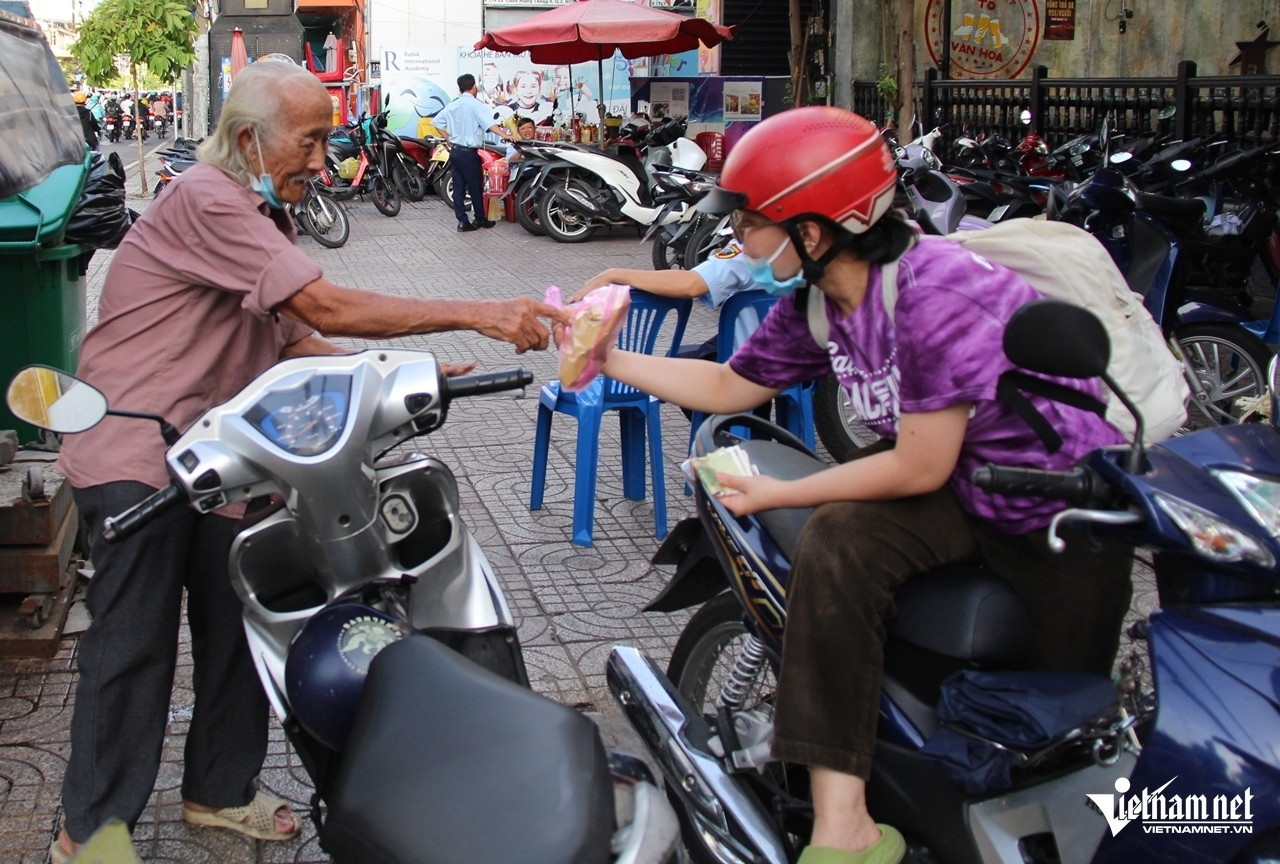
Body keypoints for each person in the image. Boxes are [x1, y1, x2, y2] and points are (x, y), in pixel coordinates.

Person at [48, 60, 567, 864]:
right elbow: (320, 305)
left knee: (241, 626)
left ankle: (220, 791)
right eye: (312, 140)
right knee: (132, 649)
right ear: (249, 141)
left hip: (220, 454)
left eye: (328, 141)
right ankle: (90, 834)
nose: (324, 161)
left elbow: (295, 340)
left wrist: (402, 372)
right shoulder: (207, 199)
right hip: (137, 454)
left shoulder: (262, 214)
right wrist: (478, 312)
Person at [591, 107, 1133, 864]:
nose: (737, 241)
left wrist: (780, 493)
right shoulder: (821, 302)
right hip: (960, 482)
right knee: (839, 539)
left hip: (1056, 509)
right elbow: (727, 384)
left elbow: (918, 467)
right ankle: (844, 823)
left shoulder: (934, 295)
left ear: (811, 233)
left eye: (748, 223)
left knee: (1061, 733)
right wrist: (604, 358)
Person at [434, 72, 516, 233]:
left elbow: (436, 122)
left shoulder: (453, 105)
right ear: (474, 87)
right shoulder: (475, 105)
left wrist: (448, 138)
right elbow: (490, 125)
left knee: (458, 187)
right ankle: (479, 218)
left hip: (455, 151)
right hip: (469, 153)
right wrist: (506, 136)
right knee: (475, 186)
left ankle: (462, 221)